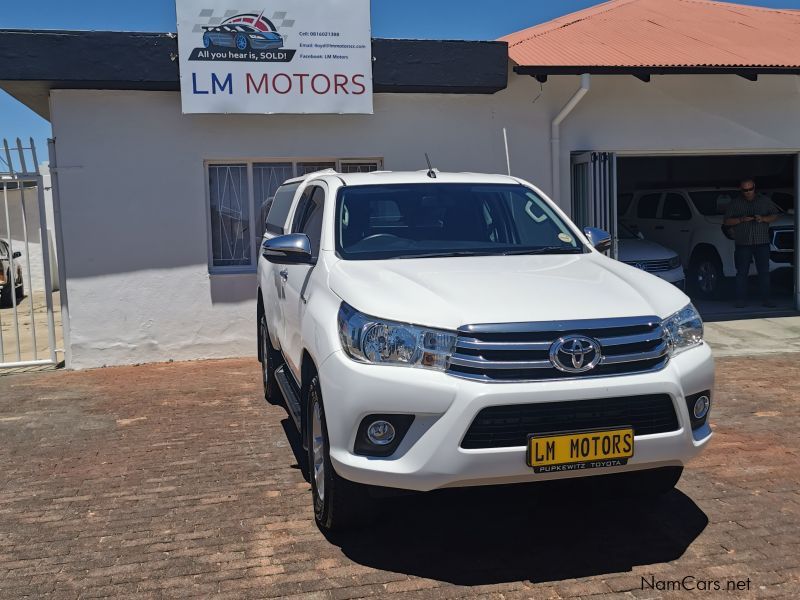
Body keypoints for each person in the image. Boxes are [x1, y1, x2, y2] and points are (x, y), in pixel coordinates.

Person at [723, 178, 779, 308]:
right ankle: (741, 300)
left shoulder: (764, 201)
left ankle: (767, 300)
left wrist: (763, 218)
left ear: (754, 188)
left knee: (764, 272)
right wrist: (741, 219)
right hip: (743, 242)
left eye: (750, 189)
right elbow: (726, 221)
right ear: (741, 190)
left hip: (762, 241)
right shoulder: (735, 203)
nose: (748, 192)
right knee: (742, 273)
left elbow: (775, 215)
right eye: (745, 190)